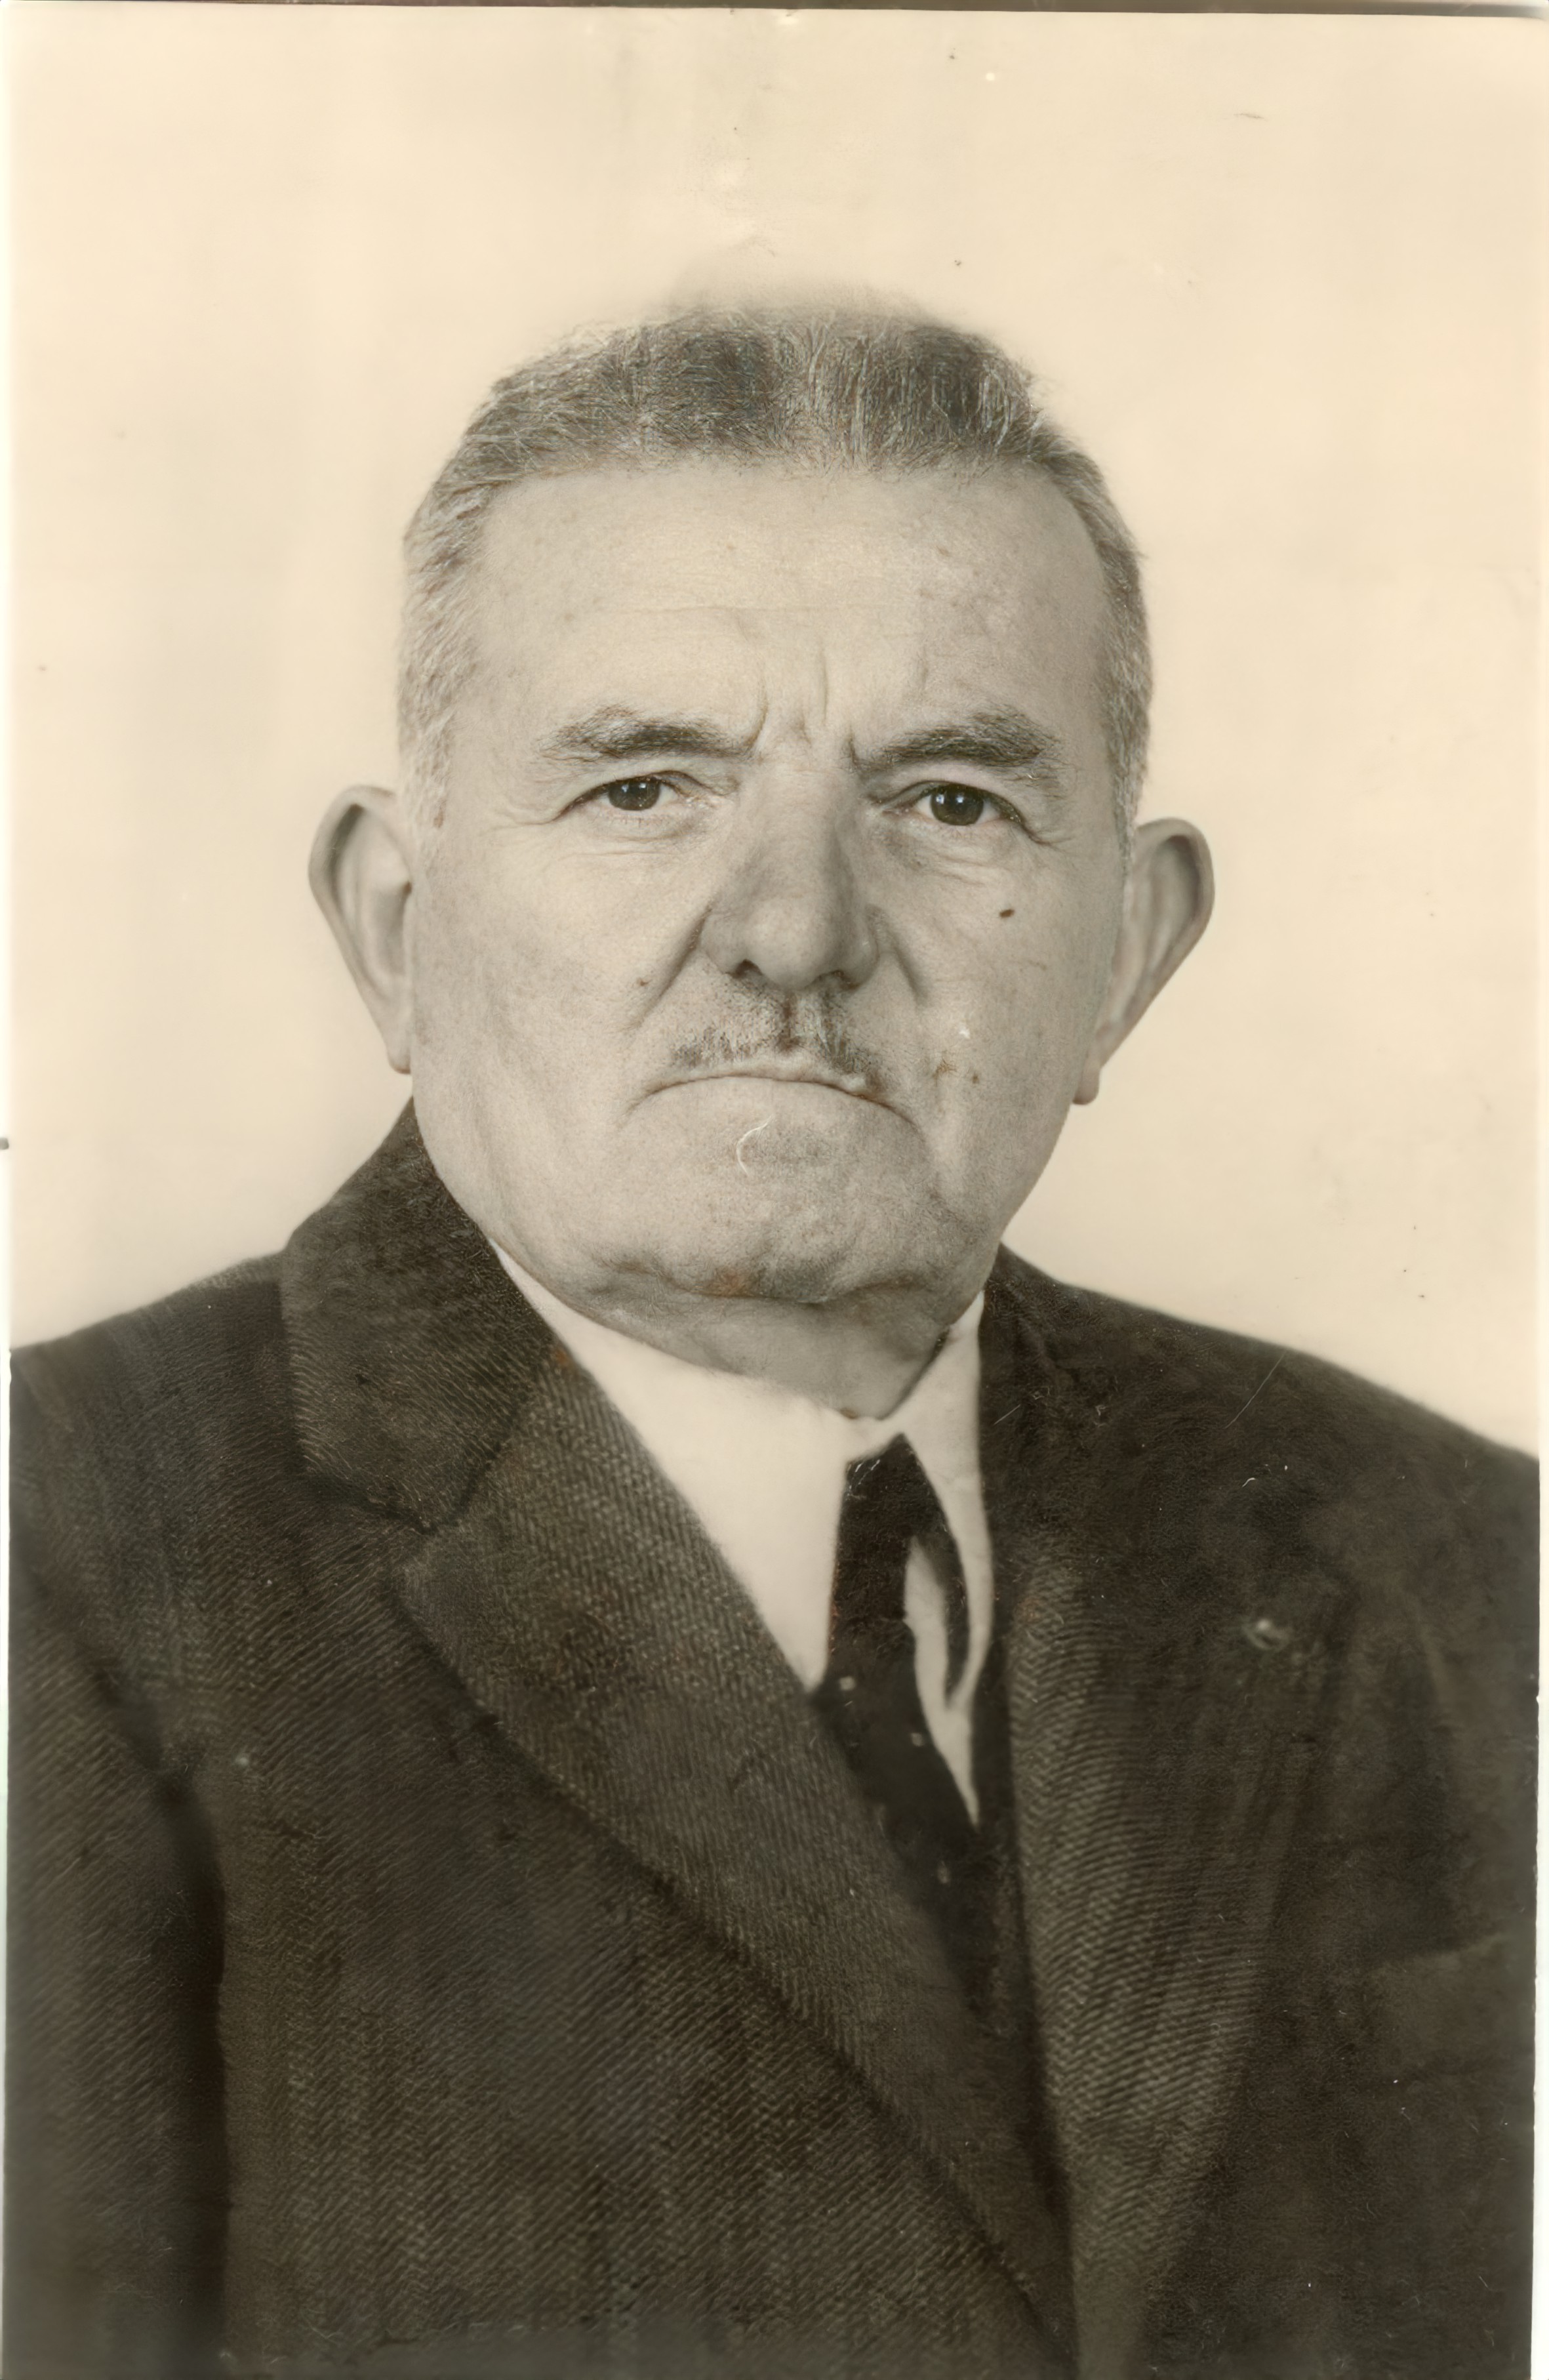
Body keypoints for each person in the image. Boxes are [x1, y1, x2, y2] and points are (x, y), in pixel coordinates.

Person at [9, 305, 1534, 2380]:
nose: (795, 931)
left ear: (1129, 948)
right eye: (644, 786)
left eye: (952, 801)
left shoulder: (1465, 1559)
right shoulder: (60, 1555)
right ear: (394, 925)